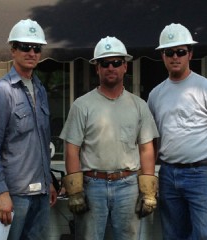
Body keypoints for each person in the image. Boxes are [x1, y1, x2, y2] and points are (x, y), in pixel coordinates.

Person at [60, 36, 159, 240]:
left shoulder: (139, 105)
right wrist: (75, 190)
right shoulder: (82, 105)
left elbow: (146, 149)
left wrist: (148, 191)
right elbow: (72, 149)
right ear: (97, 68)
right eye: (105, 63)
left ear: (125, 67)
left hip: (128, 185)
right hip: (92, 184)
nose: (110, 67)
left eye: (116, 63)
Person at [147, 23, 207, 240]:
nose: (175, 56)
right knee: (174, 235)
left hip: (202, 175)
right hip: (167, 174)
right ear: (162, 56)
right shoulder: (156, 95)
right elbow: (150, 141)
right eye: (169, 52)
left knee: (206, 235)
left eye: (180, 52)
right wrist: (146, 177)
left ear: (190, 54)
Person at [0, 19, 57, 240]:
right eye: (25, 47)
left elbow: (41, 140)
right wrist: (0, 192)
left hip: (40, 193)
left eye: (37, 48)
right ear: (13, 49)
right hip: (14, 195)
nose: (31, 52)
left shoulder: (39, 88)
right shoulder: (2, 92)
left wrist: (48, 182)